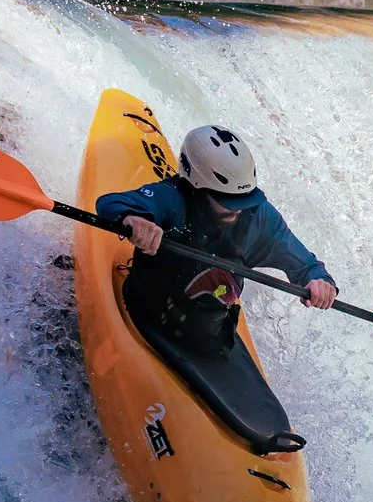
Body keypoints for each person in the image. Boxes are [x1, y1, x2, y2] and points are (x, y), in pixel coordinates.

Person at [94, 124, 338, 358]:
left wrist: (319, 281)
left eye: (245, 198)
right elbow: (110, 203)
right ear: (196, 187)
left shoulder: (260, 216)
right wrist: (134, 220)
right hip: (146, 312)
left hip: (210, 333)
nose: (239, 209)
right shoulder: (173, 198)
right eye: (227, 199)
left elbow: (306, 265)